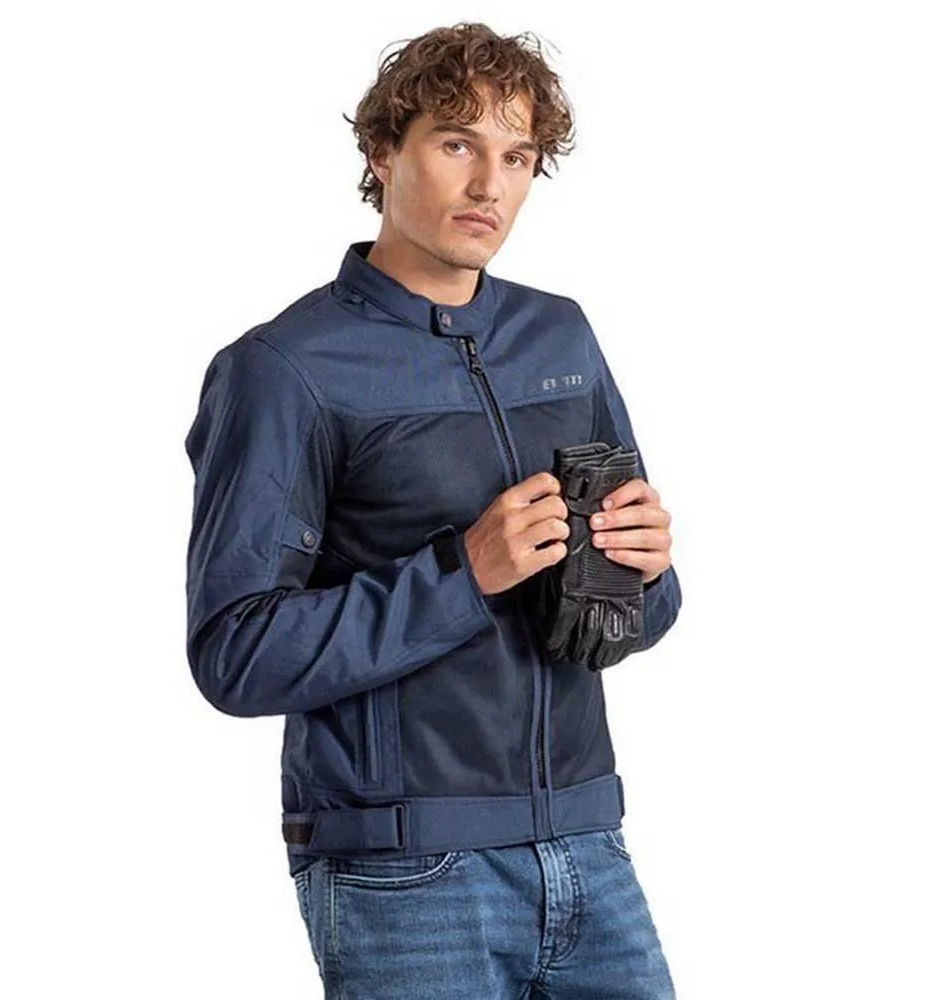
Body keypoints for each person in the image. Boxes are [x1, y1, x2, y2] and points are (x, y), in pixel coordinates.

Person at [184, 21, 682, 1000]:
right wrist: (463, 574)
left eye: (517, 157)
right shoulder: (283, 370)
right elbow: (235, 654)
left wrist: (647, 570)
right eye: (457, 144)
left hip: (588, 843)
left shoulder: (560, 335)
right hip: (405, 872)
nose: (489, 184)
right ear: (382, 151)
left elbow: (640, 616)